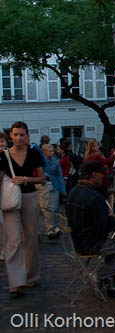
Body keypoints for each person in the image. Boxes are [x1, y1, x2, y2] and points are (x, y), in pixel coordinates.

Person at [65, 161, 115, 298]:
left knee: (112, 246)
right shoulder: (94, 197)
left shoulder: (73, 192)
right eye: (101, 175)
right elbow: (103, 225)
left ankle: (109, 279)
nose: (103, 178)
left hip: (78, 240)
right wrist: (114, 220)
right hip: (92, 242)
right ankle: (101, 275)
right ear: (94, 175)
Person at [0, 121, 45, 295]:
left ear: (27, 136)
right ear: (11, 135)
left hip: (30, 197)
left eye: (22, 134)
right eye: (15, 134)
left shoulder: (34, 153)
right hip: (10, 200)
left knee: (31, 238)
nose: (18, 138)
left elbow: (41, 178)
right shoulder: (4, 155)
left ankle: (31, 276)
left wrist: (25, 178)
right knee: (13, 241)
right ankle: (16, 281)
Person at [41, 144, 66, 239]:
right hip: (43, 187)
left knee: (54, 208)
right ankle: (51, 229)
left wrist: (62, 190)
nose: (52, 152)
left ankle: (53, 228)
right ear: (44, 152)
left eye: (52, 151)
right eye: (50, 151)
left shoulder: (55, 162)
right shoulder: (41, 162)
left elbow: (60, 176)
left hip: (54, 187)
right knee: (46, 209)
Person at [0, 133, 7, 261]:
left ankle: (3, 250)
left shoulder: (7, 156)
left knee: (2, 224)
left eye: (3, 142)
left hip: (4, 193)